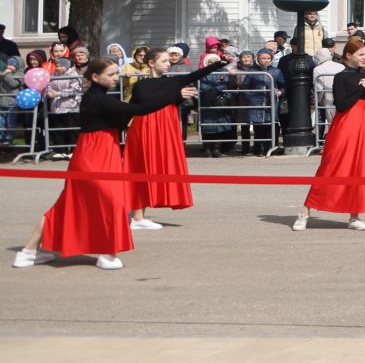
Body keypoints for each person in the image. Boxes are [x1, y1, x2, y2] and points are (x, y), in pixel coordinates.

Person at [15, 57, 197, 270]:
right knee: (108, 202)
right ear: (95, 76)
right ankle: (105, 254)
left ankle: (30, 251)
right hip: (93, 155)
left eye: (114, 73)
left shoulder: (101, 97)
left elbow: (135, 108)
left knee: (70, 205)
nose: (114, 78)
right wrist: (173, 95)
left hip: (105, 152)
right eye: (110, 74)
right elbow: (140, 110)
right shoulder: (96, 99)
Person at [125, 47, 228, 227]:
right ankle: (137, 216)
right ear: (151, 63)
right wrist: (175, 95)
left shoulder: (172, 82)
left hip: (165, 130)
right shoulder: (142, 84)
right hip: (145, 129)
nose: (168, 64)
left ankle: (139, 216)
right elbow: (145, 101)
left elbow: (195, 75)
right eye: (163, 61)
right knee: (142, 168)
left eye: (168, 60)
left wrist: (220, 63)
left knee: (158, 169)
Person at [295, 38, 365, 232]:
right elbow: (342, 105)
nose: (364, 58)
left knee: (358, 170)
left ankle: (354, 216)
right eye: (360, 54)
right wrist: (361, 88)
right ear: (348, 56)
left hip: (363, 127)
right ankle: (304, 212)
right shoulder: (341, 77)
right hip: (344, 127)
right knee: (332, 168)